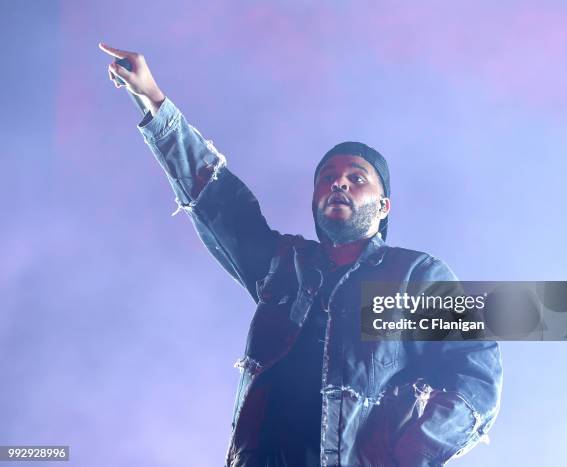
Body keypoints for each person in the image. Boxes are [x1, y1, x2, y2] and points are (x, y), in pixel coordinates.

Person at [99, 43, 503, 467]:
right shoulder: (284, 265)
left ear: (384, 207)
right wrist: (154, 100)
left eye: (356, 177)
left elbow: (475, 377)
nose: (339, 184)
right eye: (328, 177)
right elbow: (217, 202)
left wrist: (408, 456)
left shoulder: (414, 276)